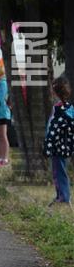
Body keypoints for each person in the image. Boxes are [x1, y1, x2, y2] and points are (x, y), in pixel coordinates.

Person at [44, 75, 74, 207]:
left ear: (54, 92)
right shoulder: (68, 107)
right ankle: (60, 196)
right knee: (58, 171)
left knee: (59, 172)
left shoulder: (59, 109)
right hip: (64, 145)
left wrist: (48, 143)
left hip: (58, 146)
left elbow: (53, 128)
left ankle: (64, 198)